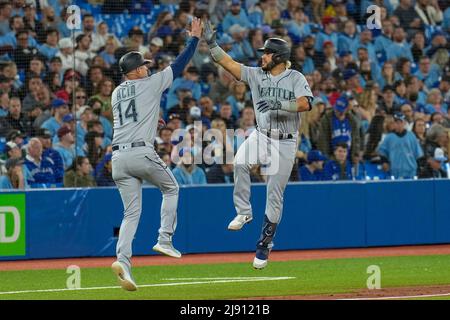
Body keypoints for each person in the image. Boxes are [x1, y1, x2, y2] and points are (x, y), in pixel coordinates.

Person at [204, 22, 313, 269]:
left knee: (274, 194)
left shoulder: (295, 77)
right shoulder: (256, 74)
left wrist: (278, 105)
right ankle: (244, 211)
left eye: (266, 53)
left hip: (285, 141)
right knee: (240, 163)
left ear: (279, 57)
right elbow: (229, 65)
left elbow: (306, 104)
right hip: (262, 134)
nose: (262, 56)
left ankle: (264, 244)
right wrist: (212, 44)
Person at [110, 17, 202, 291]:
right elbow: (179, 65)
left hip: (118, 159)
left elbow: (133, 114)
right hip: (141, 153)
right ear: (135, 71)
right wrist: (194, 39)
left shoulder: (116, 93)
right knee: (172, 188)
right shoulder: (149, 84)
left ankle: (123, 263)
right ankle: (164, 238)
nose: (148, 70)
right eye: (144, 67)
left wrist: (154, 121)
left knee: (130, 214)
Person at [377, 113, 424, 179]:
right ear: (394, 124)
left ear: (404, 123)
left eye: (400, 122)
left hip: (411, 170)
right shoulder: (389, 138)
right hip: (395, 171)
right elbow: (383, 152)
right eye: (396, 122)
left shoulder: (411, 136)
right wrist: (384, 162)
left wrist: (419, 168)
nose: (398, 125)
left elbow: (418, 154)